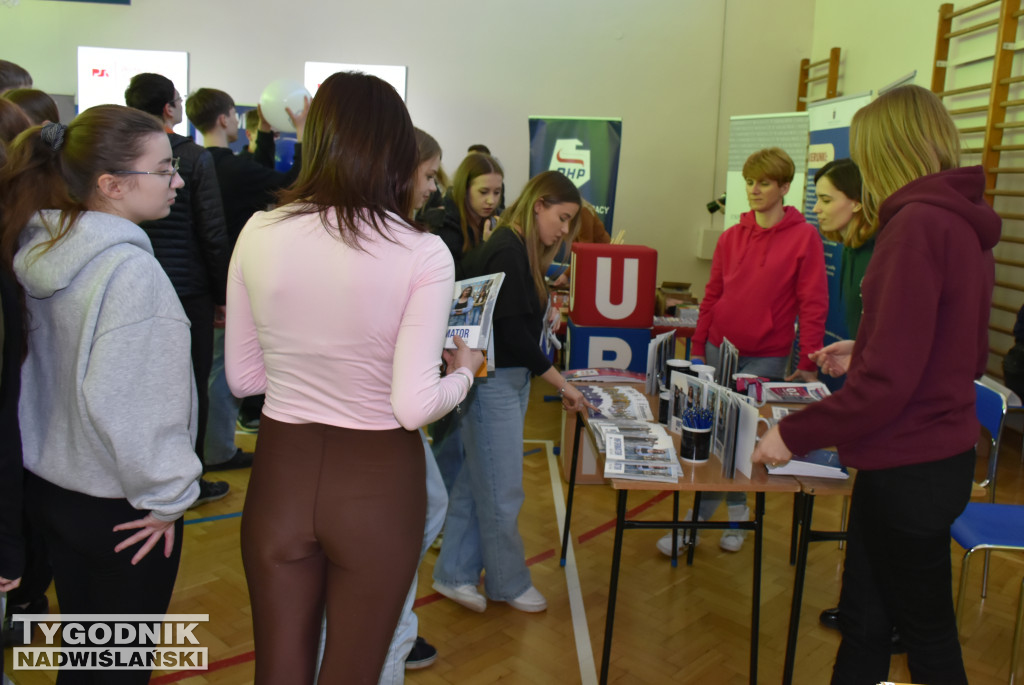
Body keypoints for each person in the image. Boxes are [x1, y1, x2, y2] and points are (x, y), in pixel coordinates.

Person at [225, 72, 482, 685]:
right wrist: (466, 373)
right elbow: (415, 404)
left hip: (281, 473)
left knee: (279, 671)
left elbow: (241, 378)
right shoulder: (421, 251)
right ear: (396, 148)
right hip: (376, 485)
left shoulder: (260, 231)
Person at [752, 84, 999, 685]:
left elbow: (888, 384)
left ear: (885, 153)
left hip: (908, 466)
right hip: (929, 461)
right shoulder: (961, 224)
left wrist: (795, 433)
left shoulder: (913, 227)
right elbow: (960, 351)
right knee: (865, 621)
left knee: (928, 639)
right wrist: (867, 343)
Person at [0, 106, 202, 684]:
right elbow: (136, 408)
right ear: (112, 186)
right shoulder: (130, 275)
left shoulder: (40, 249)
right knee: (115, 670)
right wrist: (167, 498)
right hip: (122, 511)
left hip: (55, 494)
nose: (178, 180)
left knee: (86, 661)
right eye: (164, 168)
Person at [432, 170, 590, 614]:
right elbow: (515, 337)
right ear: (538, 205)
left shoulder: (516, 248)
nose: (563, 230)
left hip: (502, 380)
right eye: (561, 218)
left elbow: (520, 327)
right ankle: (506, 583)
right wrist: (563, 384)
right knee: (503, 491)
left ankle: (454, 573)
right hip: (494, 384)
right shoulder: (506, 249)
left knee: (475, 482)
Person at [658, 146, 828, 555]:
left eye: (764, 182)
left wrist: (807, 361)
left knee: (748, 441)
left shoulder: (804, 237)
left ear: (784, 187)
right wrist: (698, 345)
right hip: (718, 349)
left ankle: (734, 520)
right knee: (713, 438)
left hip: (766, 355)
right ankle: (697, 526)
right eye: (750, 181)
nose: (754, 189)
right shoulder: (733, 236)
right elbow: (712, 293)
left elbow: (813, 303)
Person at [124, 72, 232, 504]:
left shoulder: (118, 151)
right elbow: (212, 231)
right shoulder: (191, 156)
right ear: (170, 108)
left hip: (136, 281)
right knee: (189, 387)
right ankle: (189, 479)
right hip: (187, 291)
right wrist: (224, 294)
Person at [187, 87, 307, 471]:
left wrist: (268, 135)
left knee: (211, 368)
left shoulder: (199, 162)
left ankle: (210, 445)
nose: (238, 122)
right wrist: (302, 131)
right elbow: (291, 180)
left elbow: (258, 177)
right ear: (224, 119)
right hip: (232, 281)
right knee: (222, 372)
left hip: (202, 282)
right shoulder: (233, 169)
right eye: (235, 117)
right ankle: (218, 451)